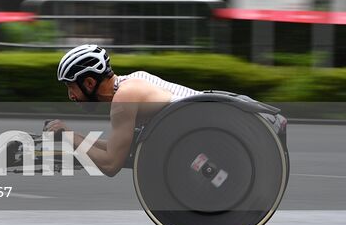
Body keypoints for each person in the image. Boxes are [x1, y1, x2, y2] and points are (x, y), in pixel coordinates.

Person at [43, 43, 285, 176]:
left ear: (88, 82)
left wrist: (69, 137)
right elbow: (121, 146)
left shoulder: (124, 99)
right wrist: (71, 136)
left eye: (70, 87)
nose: (71, 96)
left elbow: (110, 164)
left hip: (216, 128)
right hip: (212, 119)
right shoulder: (132, 81)